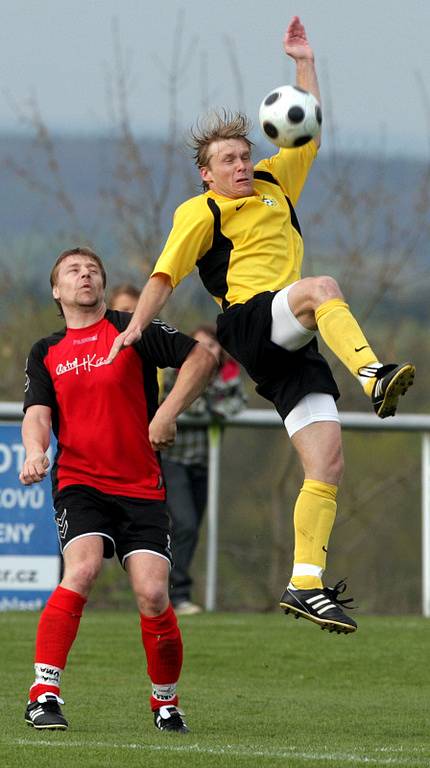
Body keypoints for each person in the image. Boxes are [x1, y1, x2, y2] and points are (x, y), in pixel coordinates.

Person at [107, 16, 415, 635]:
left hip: (290, 338)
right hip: (251, 320)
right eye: (228, 159)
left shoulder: (277, 182)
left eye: (246, 155)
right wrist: (137, 327)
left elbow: (308, 125)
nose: (242, 165)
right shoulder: (201, 210)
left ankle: (305, 583)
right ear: (207, 171)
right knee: (322, 288)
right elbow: (165, 277)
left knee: (326, 462)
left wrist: (304, 63)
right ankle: (374, 375)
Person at [19, 246, 216, 732]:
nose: (85, 275)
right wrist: (34, 450)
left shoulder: (133, 328)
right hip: (80, 482)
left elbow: (201, 356)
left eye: (93, 270)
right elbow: (38, 414)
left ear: (102, 285)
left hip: (140, 484)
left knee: (152, 593)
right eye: (73, 270)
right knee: (81, 570)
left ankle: (165, 701)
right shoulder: (46, 351)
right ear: (56, 290)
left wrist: (167, 413)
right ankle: (44, 694)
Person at [163, 324, 247, 615]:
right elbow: (179, 404)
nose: (207, 352)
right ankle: (174, 593)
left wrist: (214, 409)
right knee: (183, 524)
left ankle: (171, 592)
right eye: (200, 346)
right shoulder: (176, 374)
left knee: (191, 529)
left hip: (204, 465)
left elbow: (238, 402)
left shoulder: (228, 379)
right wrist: (205, 407)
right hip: (173, 461)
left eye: (212, 347)